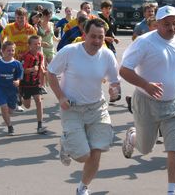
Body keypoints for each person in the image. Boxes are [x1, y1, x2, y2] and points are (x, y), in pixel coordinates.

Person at [120, 5, 175, 195]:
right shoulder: (144, 42)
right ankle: (133, 136)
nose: (171, 28)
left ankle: (172, 191)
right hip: (145, 102)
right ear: (157, 24)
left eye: (174, 23)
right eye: (166, 24)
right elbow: (124, 70)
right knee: (145, 148)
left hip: (172, 105)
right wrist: (146, 84)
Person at [48, 18, 121, 195]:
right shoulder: (69, 51)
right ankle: (67, 143)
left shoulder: (107, 55)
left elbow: (114, 82)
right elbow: (50, 73)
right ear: (84, 35)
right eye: (93, 36)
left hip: (97, 108)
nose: (97, 41)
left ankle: (83, 188)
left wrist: (114, 92)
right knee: (83, 156)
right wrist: (61, 97)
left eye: (101, 37)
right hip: (71, 108)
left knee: (97, 150)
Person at [1, 7, 36, 112]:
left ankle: (18, 98)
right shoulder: (9, 27)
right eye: (18, 17)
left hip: (26, 60)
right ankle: (16, 102)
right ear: (15, 17)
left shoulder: (30, 28)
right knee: (15, 81)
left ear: (26, 17)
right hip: (13, 58)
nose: (20, 19)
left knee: (22, 81)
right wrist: (3, 48)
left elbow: (34, 42)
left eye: (22, 17)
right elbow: (3, 38)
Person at [0, 41, 23, 135]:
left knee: (10, 111)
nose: (11, 52)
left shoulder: (16, 63)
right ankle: (10, 126)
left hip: (12, 89)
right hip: (0, 88)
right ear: (2, 51)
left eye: (13, 50)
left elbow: (20, 74)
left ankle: (16, 101)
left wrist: (18, 81)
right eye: (8, 50)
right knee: (4, 108)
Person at [20, 35, 47, 134]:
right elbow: (21, 70)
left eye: (39, 43)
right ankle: (20, 99)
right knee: (27, 106)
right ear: (29, 45)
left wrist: (44, 74)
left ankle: (40, 125)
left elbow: (40, 68)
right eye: (35, 44)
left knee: (39, 101)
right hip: (26, 83)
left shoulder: (40, 55)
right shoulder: (26, 56)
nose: (37, 45)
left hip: (35, 83)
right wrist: (31, 69)